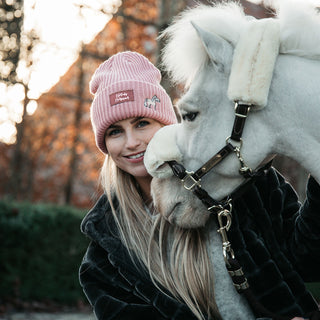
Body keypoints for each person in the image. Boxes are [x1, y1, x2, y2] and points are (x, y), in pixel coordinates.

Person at [79, 51, 320, 320]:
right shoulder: (106, 252)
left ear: (167, 123)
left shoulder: (243, 183)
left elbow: (308, 261)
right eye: (115, 131)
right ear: (105, 144)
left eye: (142, 123)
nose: (131, 141)